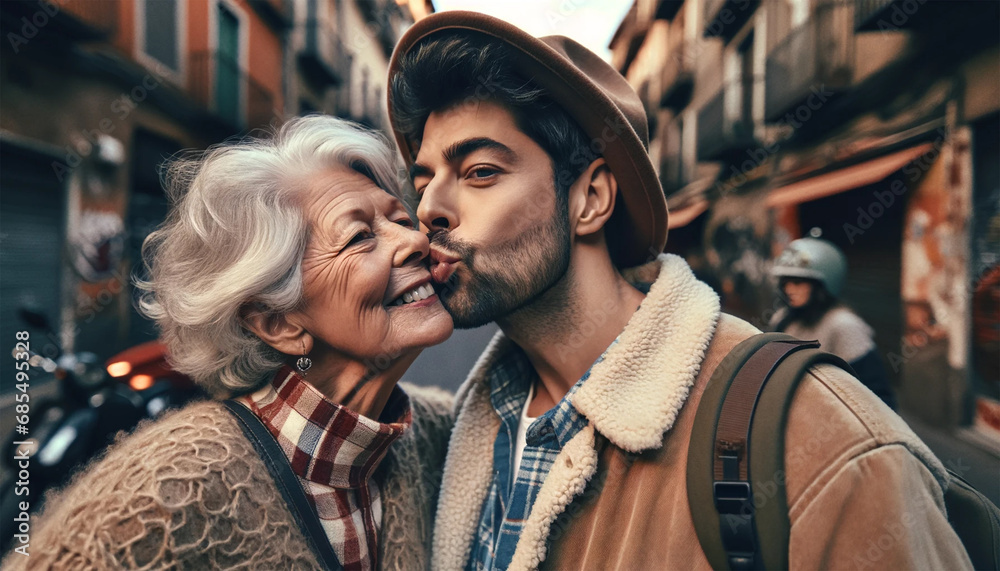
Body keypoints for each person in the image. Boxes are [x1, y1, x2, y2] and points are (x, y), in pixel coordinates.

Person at [386, 11, 973, 570]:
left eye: (480, 172)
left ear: (589, 199)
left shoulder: (828, 449)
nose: (431, 207)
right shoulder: (473, 422)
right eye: (424, 180)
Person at [2, 116, 455, 570]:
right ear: (278, 323)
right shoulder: (160, 496)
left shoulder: (439, 431)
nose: (415, 239)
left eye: (400, 217)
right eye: (359, 236)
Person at [770, 236, 897, 409]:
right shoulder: (782, 318)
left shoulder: (844, 325)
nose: (789, 289)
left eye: (798, 282)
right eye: (785, 282)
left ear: (821, 285)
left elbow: (877, 396)